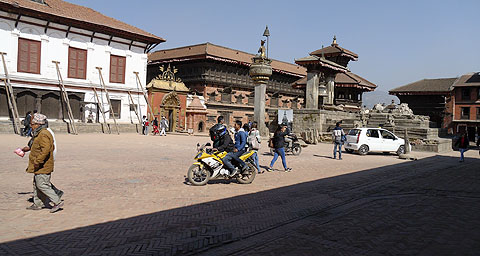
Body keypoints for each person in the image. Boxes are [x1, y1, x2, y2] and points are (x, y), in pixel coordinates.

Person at [21, 113, 64, 213]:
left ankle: (57, 201)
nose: (31, 126)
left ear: (38, 124)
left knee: (42, 185)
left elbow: (45, 150)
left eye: (32, 124)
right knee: (37, 184)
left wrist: (38, 161)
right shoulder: (38, 133)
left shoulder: (44, 134)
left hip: (43, 165)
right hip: (38, 165)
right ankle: (38, 203)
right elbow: (34, 146)